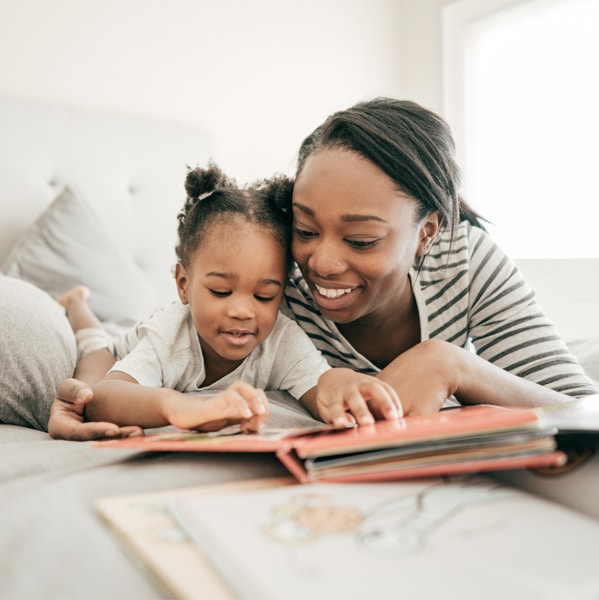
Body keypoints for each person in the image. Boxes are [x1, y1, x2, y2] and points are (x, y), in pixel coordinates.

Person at [49, 97, 598, 440]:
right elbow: (165, 352)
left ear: (428, 232)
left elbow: (580, 408)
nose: (321, 263)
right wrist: (88, 392)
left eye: (361, 238)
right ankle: (79, 308)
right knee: (100, 337)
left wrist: (454, 365)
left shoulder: (468, 260)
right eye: (305, 229)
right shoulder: (268, 283)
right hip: (132, 337)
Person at [49, 163, 400, 438]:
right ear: (184, 284)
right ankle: (77, 304)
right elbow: (108, 396)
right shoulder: (168, 336)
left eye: (264, 295)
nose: (242, 311)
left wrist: (343, 384)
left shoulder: (282, 339)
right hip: (121, 349)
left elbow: (319, 383)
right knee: (93, 353)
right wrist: (179, 407)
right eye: (221, 292)